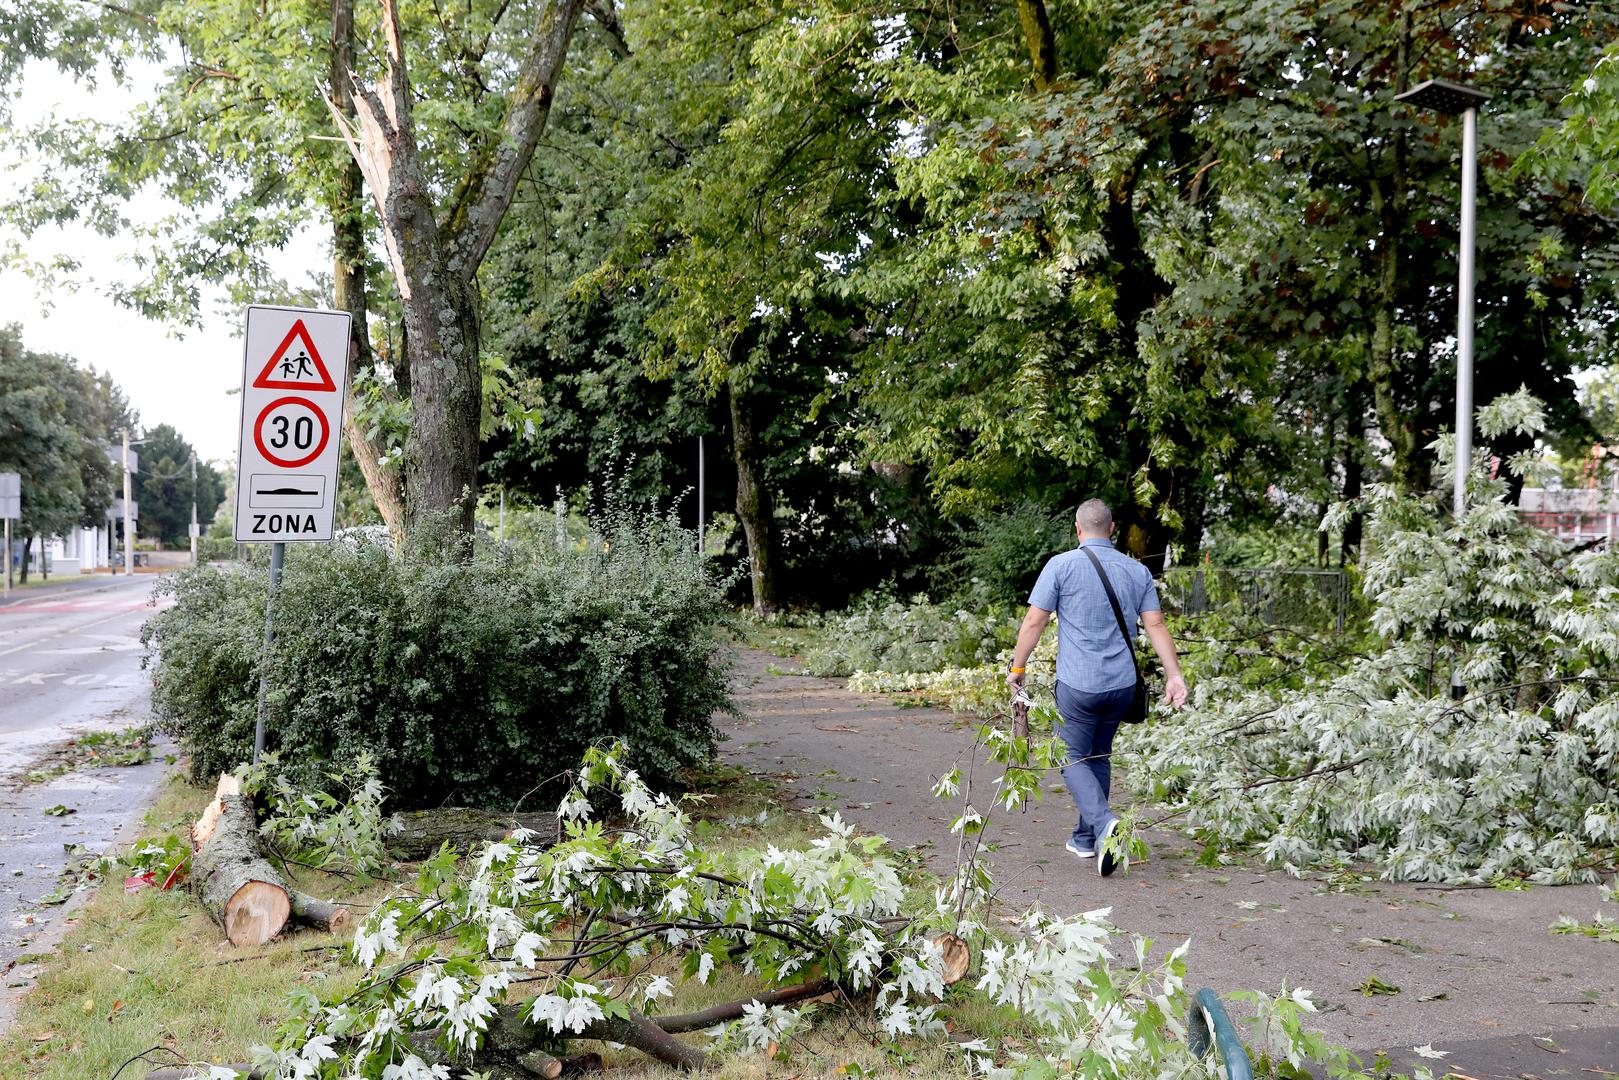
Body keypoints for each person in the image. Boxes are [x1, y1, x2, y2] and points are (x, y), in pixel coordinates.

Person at [1006, 499, 1188, 877]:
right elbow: (1155, 626)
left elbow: (1035, 622)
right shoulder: (1137, 571)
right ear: (1112, 528)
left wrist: (1018, 667)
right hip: (1121, 686)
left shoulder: (1061, 566)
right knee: (1098, 756)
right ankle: (1085, 839)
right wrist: (1174, 676)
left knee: (1069, 755)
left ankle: (1105, 826)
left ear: (1077, 529)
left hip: (1079, 686)